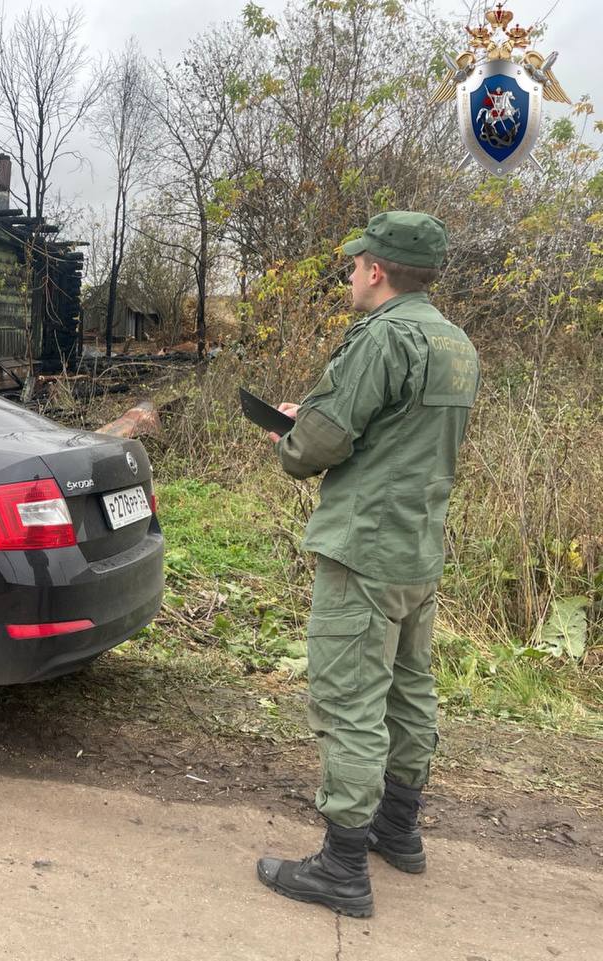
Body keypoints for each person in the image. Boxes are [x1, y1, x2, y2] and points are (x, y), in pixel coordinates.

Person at [255, 211, 479, 918]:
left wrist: (291, 433)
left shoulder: (382, 337)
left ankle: (343, 867)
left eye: (355, 264)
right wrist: (321, 418)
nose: (350, 273)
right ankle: (398, 829)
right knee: (409, 689)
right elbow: (398, 430)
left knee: (350, 698)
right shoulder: (455, 343)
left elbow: (321, 441)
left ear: (377, 270)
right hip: (419, 545)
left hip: (364, 548)